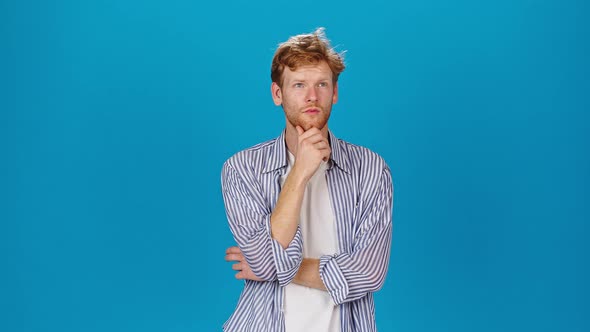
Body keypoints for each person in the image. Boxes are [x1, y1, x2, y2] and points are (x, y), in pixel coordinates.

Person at [221, 28, 393, 332]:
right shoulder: (241, 169)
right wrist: (300, 171)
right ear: (278, 94)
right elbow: (263, 264)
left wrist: (279, 267)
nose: (312, 96)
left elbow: (369, 272)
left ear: (335, 92)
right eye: (299, 84)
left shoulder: (370, 169)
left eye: (322, 84)